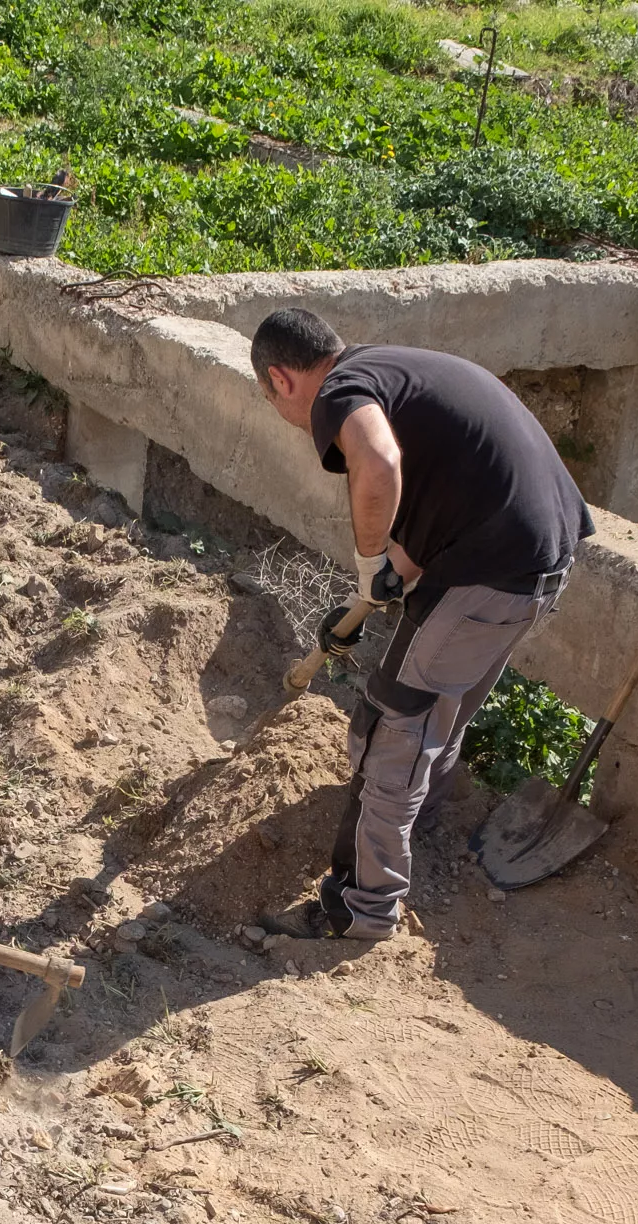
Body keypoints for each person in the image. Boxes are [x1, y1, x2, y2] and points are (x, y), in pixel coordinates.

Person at [249, 307, 593, 940]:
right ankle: (418, 813)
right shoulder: (390, 370)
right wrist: (372, 595)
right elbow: (432, 516)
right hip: (537, 562)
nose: (290, 417)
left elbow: (378, 466)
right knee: (441, 702)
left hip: (490, 571)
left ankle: (360, 906)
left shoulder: (339, 395)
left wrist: (367, 562)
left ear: (283, 378)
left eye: (273, 401)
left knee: (392, 727)